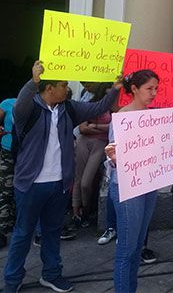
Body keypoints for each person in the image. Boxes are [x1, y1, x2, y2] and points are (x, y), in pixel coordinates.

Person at [3, 60, 120, 293]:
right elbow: (21, 105)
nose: (67, 89)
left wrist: (116, 89)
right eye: (64, 84)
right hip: (30, 185)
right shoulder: (29, 109)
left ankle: (51, 275)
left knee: (52, 231)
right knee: (23, 233)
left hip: (59, 184)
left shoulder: (69, 108)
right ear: (49, 89)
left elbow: (97, 108)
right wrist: (33, 80)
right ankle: (12, 281)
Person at [104, 69, 160, 292]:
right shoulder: (121, 119)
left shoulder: (152, 116)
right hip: (127, 188)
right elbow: (112, 158)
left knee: (137, 246)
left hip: (149, 185)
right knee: (126, 248)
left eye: (156, 88)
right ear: (135, 89)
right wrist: (115, 159)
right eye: (149, 88)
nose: (154, 93)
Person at [72, 83, 113, 227]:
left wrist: (94, 127)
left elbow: (113, 128)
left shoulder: (113, 106)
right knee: (78, 178)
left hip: (100, 144)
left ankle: (87, 209)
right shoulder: (89, 104)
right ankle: (77, 211)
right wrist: (103, 130)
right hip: (85, 142)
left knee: (85, 182)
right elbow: (83, 129)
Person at [0, 97, 17, 248]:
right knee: (6, 190)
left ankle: (15, 224)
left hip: (26, 154)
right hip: (8, 151)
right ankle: (2, 230)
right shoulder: (8, 103)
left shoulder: (39, 103)